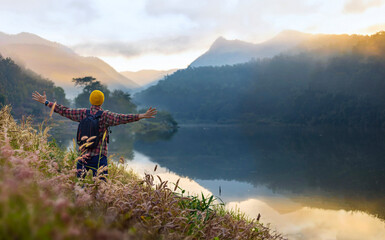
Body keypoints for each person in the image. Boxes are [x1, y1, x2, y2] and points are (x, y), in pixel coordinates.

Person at [32, 90, 157, 178]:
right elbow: (122, 118)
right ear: (101, 102)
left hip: (83, 157)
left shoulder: (82, 113)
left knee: (80, 187)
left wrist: (46, 102)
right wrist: (141, 116)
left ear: (90, 100)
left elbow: (64, 110)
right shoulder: (105, 116)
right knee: (102, 189)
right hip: (99, 158)